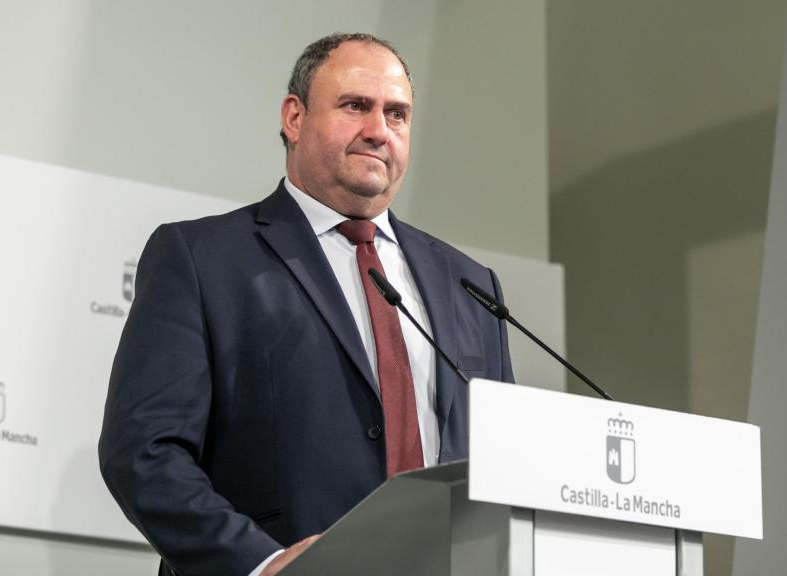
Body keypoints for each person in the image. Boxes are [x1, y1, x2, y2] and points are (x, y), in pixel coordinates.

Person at [99, 33, 514, 576]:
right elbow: (144, 452)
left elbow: (506, 465)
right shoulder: (203, 259)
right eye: (355, 106)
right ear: (294, 118)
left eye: (397, 115)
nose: (378, 131)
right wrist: (263, 563)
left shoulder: (469, 284)